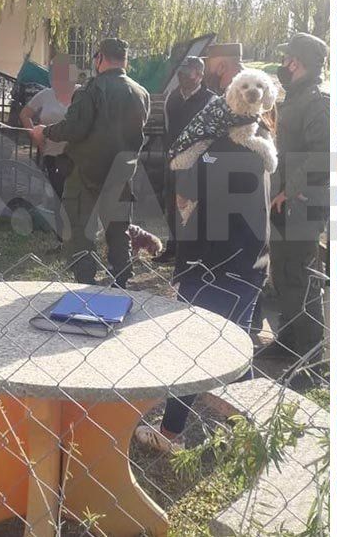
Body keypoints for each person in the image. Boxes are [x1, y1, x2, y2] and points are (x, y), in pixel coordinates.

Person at [136, 88, 276, 453]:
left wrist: (182, 258)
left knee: (193, 350)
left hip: (211, 267)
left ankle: (170, 434)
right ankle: (248, 431)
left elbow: (188, 205)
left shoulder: (216, 153)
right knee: (236, 345)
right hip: (251, 265)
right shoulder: (263, 148)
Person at [30, 38, 150, 287]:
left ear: (100, 58)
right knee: (118, 229)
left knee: (79, 228)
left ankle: (85, 280)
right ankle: (121, 279)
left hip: (86, 172)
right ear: (124, 59)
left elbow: (74, 128)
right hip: (121, 173)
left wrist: (45, 132)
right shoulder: (141, 93)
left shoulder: (91, 90)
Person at [266, 32, 331, 358]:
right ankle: (288, 340)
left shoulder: (317, 101)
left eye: (287, 58)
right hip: (284, 203)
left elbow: (320, 154)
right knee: (283, 272)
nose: (283, 64)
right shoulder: (295, 98)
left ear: (298, 61)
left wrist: (289, 192)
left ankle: (309, 355)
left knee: (300, 277)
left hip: (302, 204)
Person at [157, 56, 214, 260]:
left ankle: (191, 252)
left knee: (192, 207)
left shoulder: (210, 100)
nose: (182, 75)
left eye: (187, 72)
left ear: (199, 75)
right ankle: (172, 249)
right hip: (173, 161)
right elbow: (166, 127)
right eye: (181, 71)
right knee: (171, 203)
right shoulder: (172, 97)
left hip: (197, 164)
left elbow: (212, 136)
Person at [19, 80, 76, 202]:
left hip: (76, 157)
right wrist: (36, 137)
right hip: (52, 155)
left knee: (73, 200)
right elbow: (25, 114)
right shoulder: (46, 94)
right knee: (58, 197)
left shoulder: (81, 93)